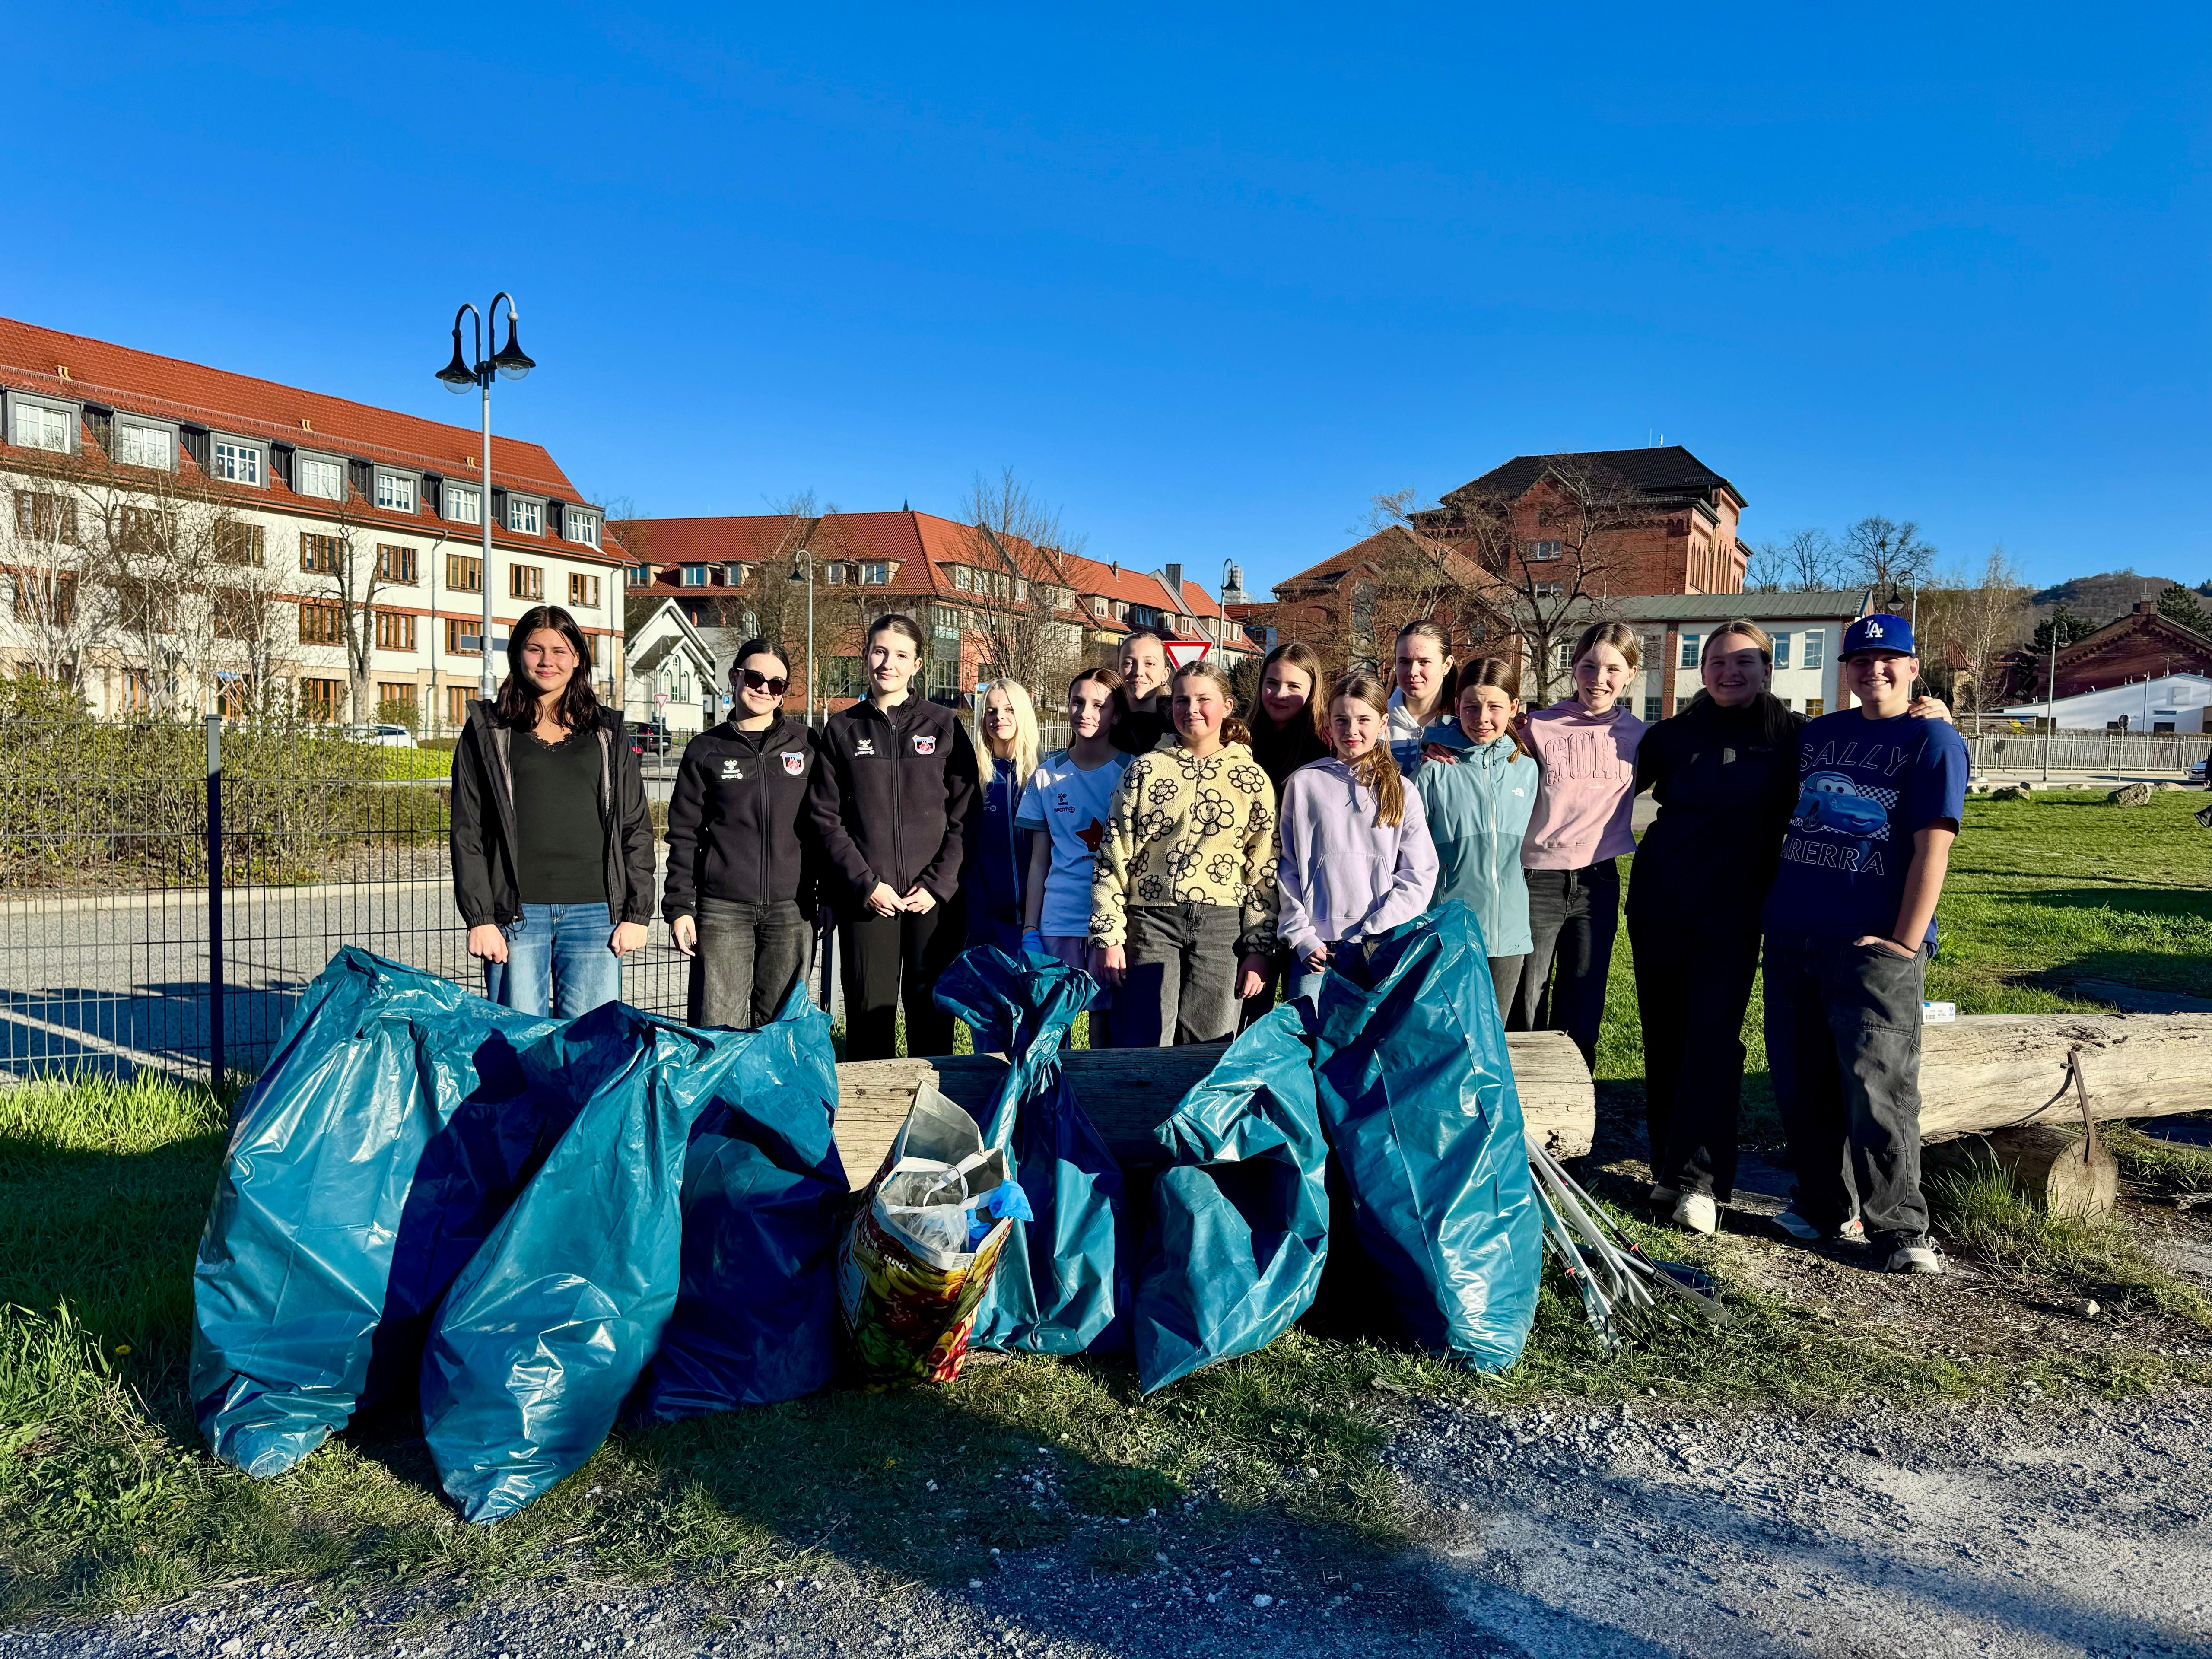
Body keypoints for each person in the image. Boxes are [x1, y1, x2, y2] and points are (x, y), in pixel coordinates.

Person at [1761, 613, 1968, 1276]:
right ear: (1844, 670)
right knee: (1803, 1081)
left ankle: (1899, 1226)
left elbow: (1933, 848)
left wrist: (1905, 943)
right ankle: (1822, 1205)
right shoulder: (1820, 735)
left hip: (1874, 944)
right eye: (1859, 661)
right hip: (1796, 930)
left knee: (1877, 1089)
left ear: (1912, 668)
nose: (1872, 671)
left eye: (1888, 660)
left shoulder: (1933, 741)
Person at [451, 604, 655, 1017]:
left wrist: (638, 912)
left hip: (596, 914)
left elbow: (635, 824)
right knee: (517, 1047)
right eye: (535, 649)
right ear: (517, 655)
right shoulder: (488, 731)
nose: (547, 661)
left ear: (578, 658)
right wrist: (480, 918)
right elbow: (467, 831)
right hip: (515, 916)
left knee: (590, 1050)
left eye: (560, 651)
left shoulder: (607, 731)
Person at [807, 613, 978, 1060]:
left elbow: (965, 816)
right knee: (868, 1016)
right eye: (879, 651)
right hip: (868, 901)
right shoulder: (842, 730)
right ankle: (871, 1122)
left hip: (932, 903)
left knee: (931, 1014)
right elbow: (826, 818)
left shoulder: (943, 725)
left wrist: (939, 885)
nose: (888, 663)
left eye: (901, 655)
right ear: (865, 656)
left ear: (917, 665)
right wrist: (864, 885)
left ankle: (934, 1117)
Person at [1092, 657, 1277, 1046]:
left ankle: (1194, 1111)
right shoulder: (1145, 771)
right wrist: (1109, 934)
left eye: (1202, 700)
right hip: (1151, 921)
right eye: (1181, 700)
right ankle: (1140, 1110)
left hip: (1222, 925)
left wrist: (1259, 947)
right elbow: (1114, 854)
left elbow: (1262, 867)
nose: (1191, 710)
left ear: (1227, 707)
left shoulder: (1252, 779)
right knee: (1143, 1039)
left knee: (1209, 1044)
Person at [662, 639, 821, 1030]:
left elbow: (827, 824)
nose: (764, 688)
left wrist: (828, 894)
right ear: (735, 678)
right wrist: (680, 907)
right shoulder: (705, 749)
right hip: (722, 910)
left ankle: (774, 1094)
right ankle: (719, 1094)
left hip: (792, 909)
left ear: (784, 693)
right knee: (718, 1023)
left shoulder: (808, 745)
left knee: (782, 1026)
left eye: (776, 684)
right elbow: (684, 833)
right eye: (755, 677)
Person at [1513, 620, 1647, 1069]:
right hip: (1536, 879)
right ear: (1574, 668)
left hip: (1597, 882)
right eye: (1589, 666)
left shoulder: (1639, 736)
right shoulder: (1534, 727)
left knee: (1584, 995)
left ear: (1630, 673)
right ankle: (1523, 1105)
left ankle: (1573, 1104)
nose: (1599, 678)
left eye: (1613, 668)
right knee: (1526, 997)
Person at [1275, 671, 1438, 1005]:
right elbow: (1287, 866)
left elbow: (1419, 874)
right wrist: (1302, 937)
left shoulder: (1402, 790)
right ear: (1328, 724)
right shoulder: (1304, 784)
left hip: (1377, 951)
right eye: (1342, 720)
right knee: (1309, 1048)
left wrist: (1375, 932)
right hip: (1315, 952)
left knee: (1370, 1049)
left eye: (1363, 719)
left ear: (1383, 722)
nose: (1352, 730)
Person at [1414, 658, 1541, 1017]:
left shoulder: (1527, 770)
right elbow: (1408, 855)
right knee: (1449, 1035)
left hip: (1510, 932)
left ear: (1514, 708)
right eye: (1471, 707)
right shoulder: (1434, 771)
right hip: (1450, 929)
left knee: (1493, 1034)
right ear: (1457, 708)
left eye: (1495, 707)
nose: (1482, 718)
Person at [1017, 667, 1135, 1045]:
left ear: (1116, 715)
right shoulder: (1046, 776)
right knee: (1053, 1029)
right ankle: (1051, 1100)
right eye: (1078, 702)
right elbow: (1039, 861)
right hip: (1058, 921)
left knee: (1104, 1026)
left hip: (1111, 924)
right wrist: (1031, 929)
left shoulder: (1133, 770)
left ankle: (1098, 1103)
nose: (1086, 712)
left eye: (1099, 705)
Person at [1237, 641, 1331, 1026]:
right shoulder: (1238, 741)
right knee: (1245, 1016)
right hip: (1249, 894)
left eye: (1294, 686)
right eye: (1272, 683)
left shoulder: (1326, 747)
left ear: (1313, 690)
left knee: (1303, 1019)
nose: (1279, 694)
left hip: (1305, 899)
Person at [964, 678, 1041, 956]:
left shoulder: (1043, 777)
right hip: (985, 919)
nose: (999, 718)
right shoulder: (973, 778)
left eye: (1009, 710)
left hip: (1037, 921)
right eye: (991, 711)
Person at [1386, 620, 1456, 777]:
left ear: (1447, 664)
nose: (1413, 671)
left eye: (1424, 662)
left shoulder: (1464, 724)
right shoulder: (1376, 721)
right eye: (1404, 661)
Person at [1110, 628, 1174, 755]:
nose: (1138, 672)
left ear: (1165, 674)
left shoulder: (1179, 728)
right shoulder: (1103, 723)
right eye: (1128, 663)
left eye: (1149, 664)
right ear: (1118, 672)